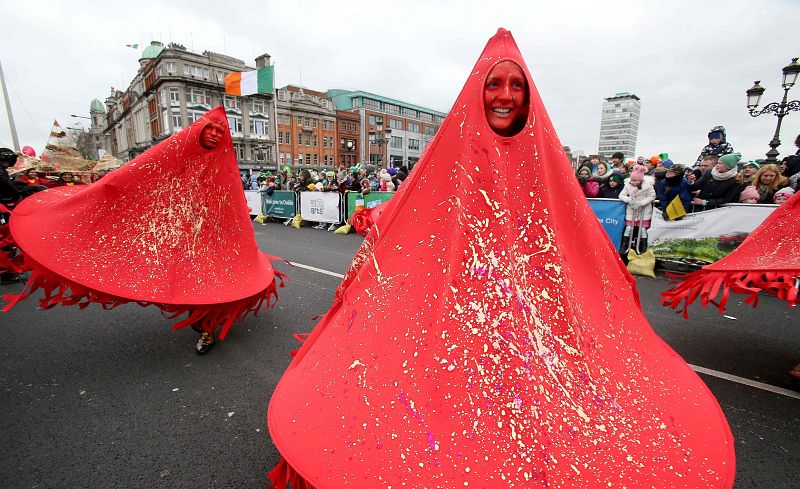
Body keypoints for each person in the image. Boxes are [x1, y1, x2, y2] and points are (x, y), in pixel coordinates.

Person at [267, 28, 734, 489]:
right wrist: (384, 223)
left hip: (533, 312)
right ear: (478, 90)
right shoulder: (453, 145)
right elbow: (422, 203)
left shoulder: (546, 156)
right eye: (494, 83)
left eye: (516, 85)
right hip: (456, 305)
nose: (505, 95)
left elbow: (575, 227)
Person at [3, 109, 283, 355]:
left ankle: (210, 322)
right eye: (209, 129)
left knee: (218, 275)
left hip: (213, 233)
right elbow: (134, 179)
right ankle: (205, 325)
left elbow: (230, 201)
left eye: (219, 132)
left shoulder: (225, 166)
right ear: (197, 131)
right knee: (195, 279)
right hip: (181, 232)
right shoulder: (173, 157)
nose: (213, 135)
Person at [619, 165, 656, 248]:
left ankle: (643, 246)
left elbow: (652, 196)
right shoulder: (627, 185)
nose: (632, 182)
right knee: (628, 228)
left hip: (644, 210)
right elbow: (621, 195)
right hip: (631, 210)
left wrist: (641, 203)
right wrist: (629, 200)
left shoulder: (648, 186)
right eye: (632, 180)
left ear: (640, 180)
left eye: (635, 180)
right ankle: (624, 245)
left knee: (643, 229)